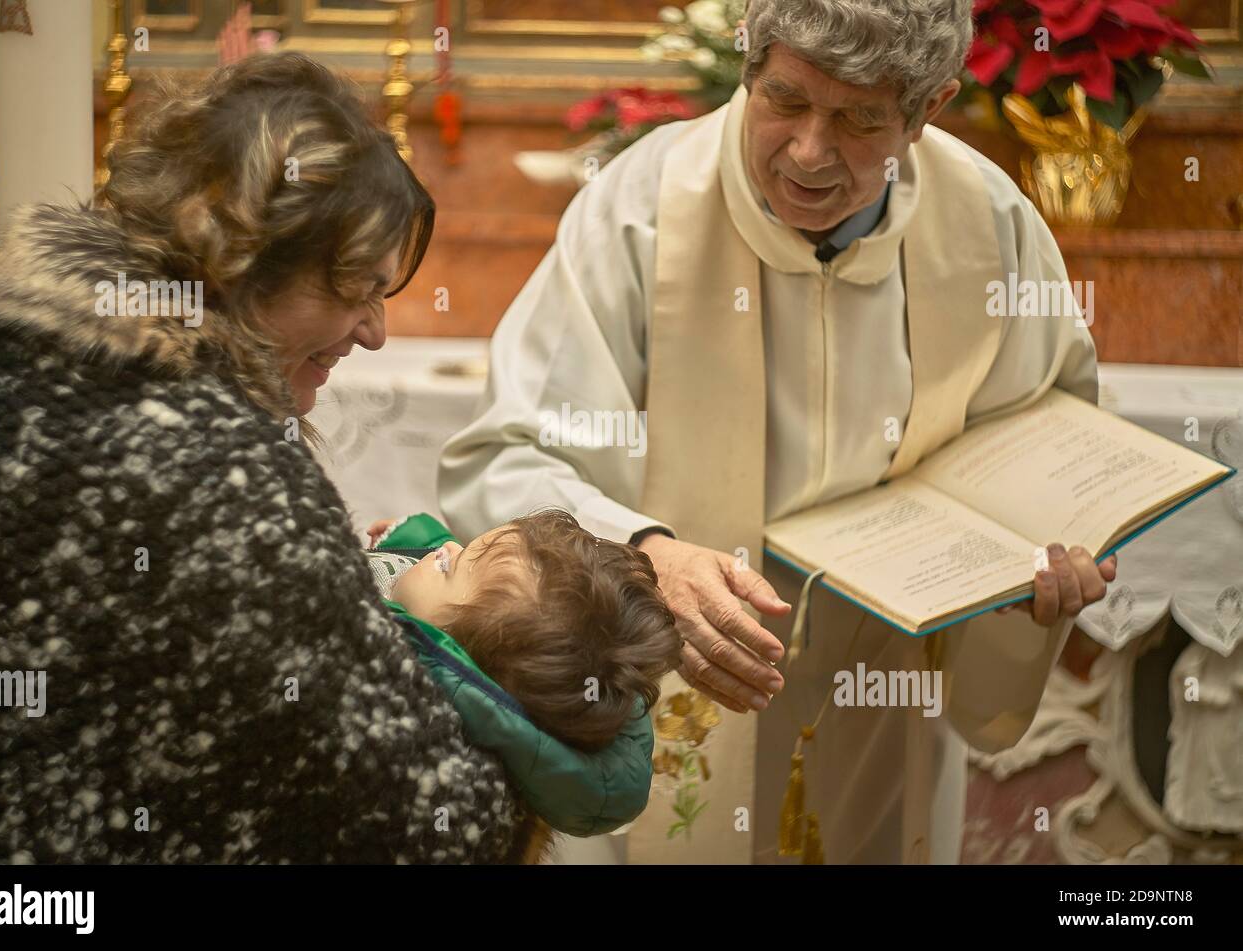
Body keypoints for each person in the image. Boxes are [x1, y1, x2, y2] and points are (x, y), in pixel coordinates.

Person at [439, 0, 1117, 863]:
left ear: (928, 109)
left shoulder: (990, 224)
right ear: (748, 64)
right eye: (785, 100)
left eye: (859, 118)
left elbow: (1052, 455)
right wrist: (647, 552)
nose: (808, 150)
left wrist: (1045, 556)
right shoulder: (641, 209)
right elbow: (504, 457)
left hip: (884, 717)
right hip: (670, 712)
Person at [0, 53, 524, 863]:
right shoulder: (226, 472)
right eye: (354, 288)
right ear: (241, 263)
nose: (374, 333)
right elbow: (424, 819)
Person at [364, 509, 681, 848]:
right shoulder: (456, 628)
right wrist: (406, 542)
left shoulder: (387, 688)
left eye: (446, 567)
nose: (444, 550)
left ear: (461, 663)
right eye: (464, 547)